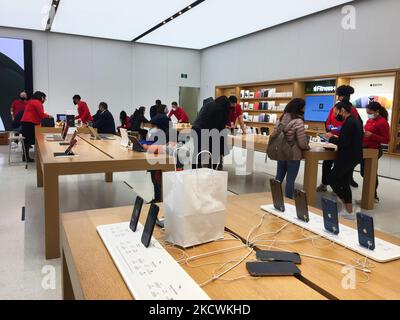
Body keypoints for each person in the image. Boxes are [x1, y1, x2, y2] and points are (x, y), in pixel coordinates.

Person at [317, 85, 361, 192]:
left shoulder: (352, 111)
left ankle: (337, 187)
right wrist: (330, 131)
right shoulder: (334, 109)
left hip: (342, 141)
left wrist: (336, 131)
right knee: (327, 162)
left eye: (340, 96)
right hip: (332, 140)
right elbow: (327, 122)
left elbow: (352, 126)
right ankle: (325, 183)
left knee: (338, 165)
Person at [325, 101, 363, 220]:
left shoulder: (349, 123)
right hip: (353, 156)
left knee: (331, 178)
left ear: (342, 110)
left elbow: (344, 143)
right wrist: (338, 138)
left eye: (336, 112)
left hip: (347, 157)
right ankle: (349, 210)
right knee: (345, 182)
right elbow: (348, 139)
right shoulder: (353, 121)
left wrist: (331, 138)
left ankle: (346, 203)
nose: (336, 114)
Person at [273, 98, 310, 199]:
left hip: (281, 152)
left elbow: (274, 134)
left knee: (278, 177)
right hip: (293, 154)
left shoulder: (280, 119)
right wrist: (307, 146)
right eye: (304, 106)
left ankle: (276, 199)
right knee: (290, 180)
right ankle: (288, 201)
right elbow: (302, 142)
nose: (305, 108)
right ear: (300, 108)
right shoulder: (298, 121)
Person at [360, 101, 390, 203]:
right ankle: (370, 194)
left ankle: (373, 196)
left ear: (377, 111)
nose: (368, 114)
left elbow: (386, 139)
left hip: (374, 150)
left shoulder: (383, 122)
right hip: (365, 149)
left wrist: (372, 136)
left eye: (370, 112)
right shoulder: (369, 121)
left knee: (371, 173)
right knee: (364, 173)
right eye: (367, 112)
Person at [191, 96, 231, 169]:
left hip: (195, 127)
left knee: (197, 150)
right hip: (202, 129)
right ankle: (210, 168)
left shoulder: (209, 104)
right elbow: (217, 126)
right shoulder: (219, 109)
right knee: (212, 149)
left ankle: (195, 168)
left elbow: (207, 119)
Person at [21, 91, 51, 162]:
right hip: (30, 122)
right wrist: (49, 116)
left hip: (25, 122)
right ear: (41, 97)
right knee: (34, 139)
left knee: (26, 140)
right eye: (44, 98)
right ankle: (29, 157)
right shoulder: (37, 102)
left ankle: (25, 156)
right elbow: (41, 114)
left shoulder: (31, 101)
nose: (44, 100)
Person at [147, 113, 171, 203]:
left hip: (164, 164)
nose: (152, 128)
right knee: (154, 180)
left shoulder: (170, 134)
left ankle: (161, 200)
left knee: (159, 182)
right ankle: (157, 199)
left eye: (154, 126)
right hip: (155, 161)